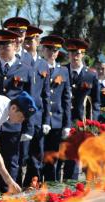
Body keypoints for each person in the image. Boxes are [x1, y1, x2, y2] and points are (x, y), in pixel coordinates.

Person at [0, 29, 34, 193]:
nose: (3, 49)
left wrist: (28, 127)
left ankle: (7, 195)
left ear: (15, 45)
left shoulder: (25, 69)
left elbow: (30, 100)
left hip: (13, 125)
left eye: (7, 45)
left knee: (11, 160)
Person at [63, 38, 100, 180]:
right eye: (72, 53)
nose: (75, 56)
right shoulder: (63, 70)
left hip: (81, 121)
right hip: (64, 120)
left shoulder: (91, 75)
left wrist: (93, 123)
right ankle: (63, 186)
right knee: (63, 155)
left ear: (83, 54)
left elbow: (96, 101)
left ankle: (75, 185)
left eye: (78, 53)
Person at [18, 27, 51, 186]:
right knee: (21, 155)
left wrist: (46, 120)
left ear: (38, 42)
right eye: (27, 40)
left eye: (32, 40)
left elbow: (46, 95)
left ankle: (32, 184)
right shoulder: (21, 61)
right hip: (23, 115)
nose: (29, 43)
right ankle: (17, 186)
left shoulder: (44, 64)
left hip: (38, 116)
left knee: (36, 154)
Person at [40, 35, 72, 182]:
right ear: (43, 50)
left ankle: (51, 184)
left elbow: (66, 99)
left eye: (54, 50)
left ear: (58, 52)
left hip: (57, 120)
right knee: (38, 154)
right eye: (48, 49)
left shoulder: (64, 71)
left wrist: (67, 124)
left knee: (52, 155)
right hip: (40, 118)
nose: (51, 53)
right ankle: (36, 184)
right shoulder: (38, 66)